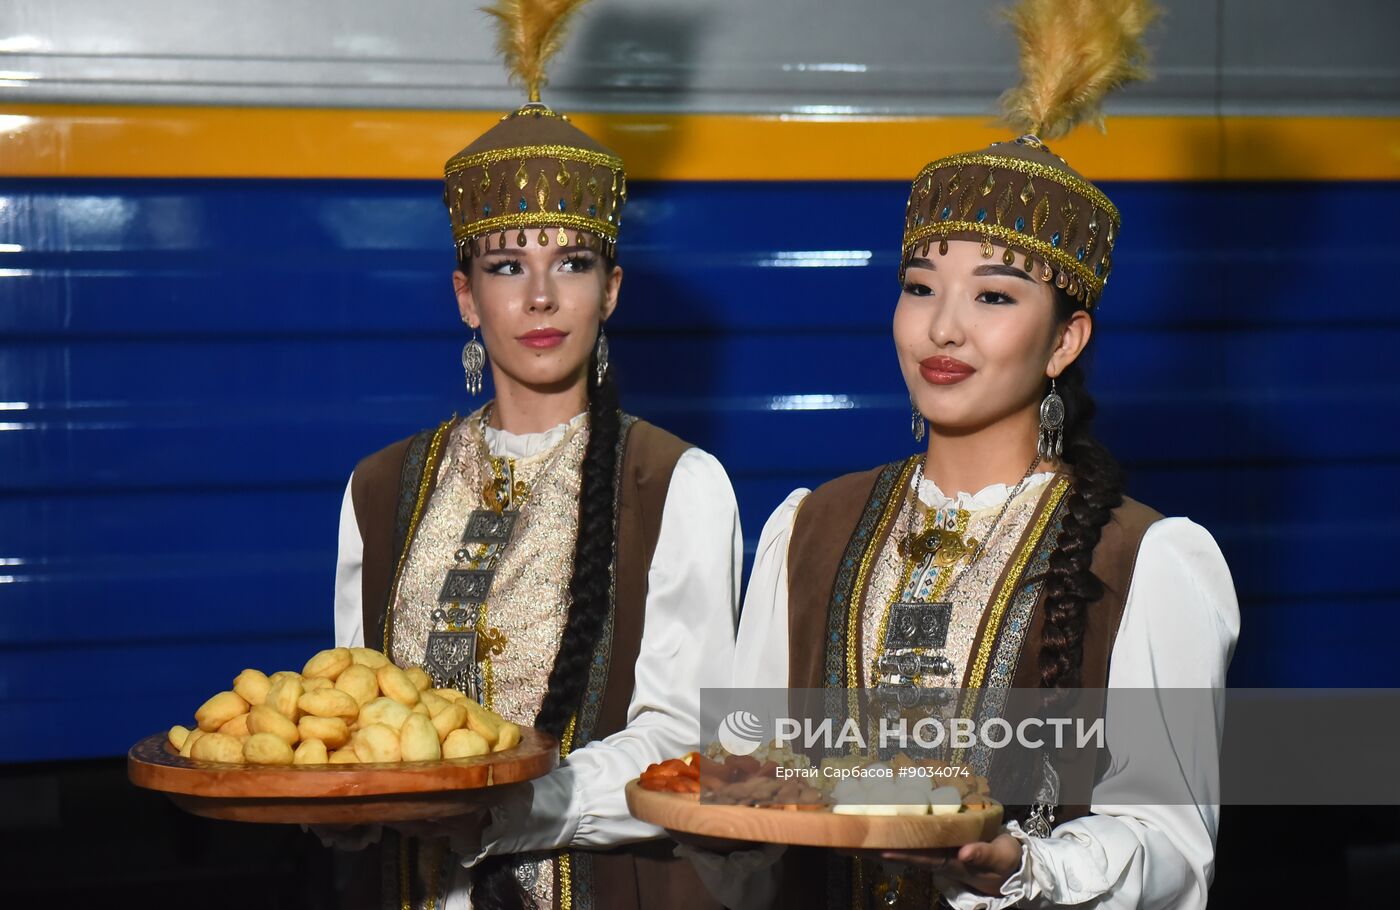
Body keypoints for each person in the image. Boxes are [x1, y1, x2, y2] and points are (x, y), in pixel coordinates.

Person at [695, 1, 1239, 907]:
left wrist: (1031, 867)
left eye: (993, 295)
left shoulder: (1150, 562)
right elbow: (745, 797)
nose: (942, 326)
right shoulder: (807, 530)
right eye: (920, 287)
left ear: (1064, 343)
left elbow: (1173, 847)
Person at [327, 2, 741, 907]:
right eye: (508, 266)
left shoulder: (676, 485)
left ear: (613, 290)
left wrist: (509, 812)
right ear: (466, 297)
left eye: (575, 263)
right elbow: (353, 716)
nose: (543, 296)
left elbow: (687, 747)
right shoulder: (381, 486)